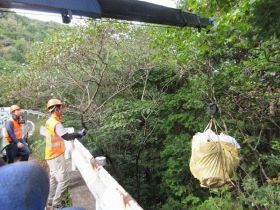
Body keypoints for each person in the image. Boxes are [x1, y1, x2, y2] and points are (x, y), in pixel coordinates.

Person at [45, 99, 87, 210]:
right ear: (56, 109)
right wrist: (79, 134)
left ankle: (49, 201)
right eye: (61, 107)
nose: (63, 110)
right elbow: (66, 136)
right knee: (64, 180)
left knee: (54, 178)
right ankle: (56, 203)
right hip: (56, 155)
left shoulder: (50, 121)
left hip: (50, 155)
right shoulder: (56, 123)